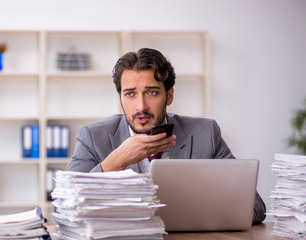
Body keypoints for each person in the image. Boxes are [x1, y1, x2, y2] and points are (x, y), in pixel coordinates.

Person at [67, 48, 266, 224]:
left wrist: (196, 212)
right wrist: (116, 161)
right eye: (130, 94)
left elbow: (254, 205)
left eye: (151, 92)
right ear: (120, 98)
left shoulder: (206, 133)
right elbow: (65, 207)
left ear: (169, 95)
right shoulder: (92, 137)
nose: (141, 106)